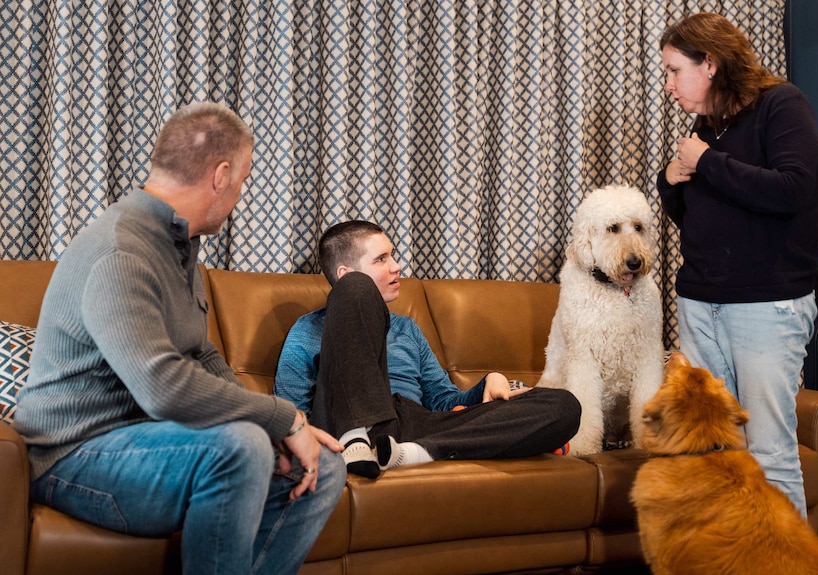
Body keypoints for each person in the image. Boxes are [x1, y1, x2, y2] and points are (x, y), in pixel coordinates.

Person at [13, 102, 346, 574]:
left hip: (151, 439)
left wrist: (288, 430)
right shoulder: (122, 248)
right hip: (74, 453)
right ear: (221, 174)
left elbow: (201, 354)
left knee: (326, 468)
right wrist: (283, 416)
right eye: (243, 180)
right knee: (242, 447)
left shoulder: (178, 242)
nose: (240, 194)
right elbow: (163, 386)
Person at [657, 13, 818, 516]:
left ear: (709, 63)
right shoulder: (710, 124)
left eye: (672, 70)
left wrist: (705, 162)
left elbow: (793, 190)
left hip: (766, 306)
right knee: (713, 450)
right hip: (700, 302)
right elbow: (699, 216)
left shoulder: (782, 105)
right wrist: (670, 179)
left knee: (769, 451)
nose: (668, 86)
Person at [275, 220, 582, 479]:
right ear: (343, 274)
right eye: (381, 259)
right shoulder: (308, 331)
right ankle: (357, 438)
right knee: (358, 291)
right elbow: (293, 412)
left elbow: (444, 401)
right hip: (340, 425)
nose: (397, 267)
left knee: (564, 406)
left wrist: (488, 383)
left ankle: (411, 455)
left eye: (392, 256)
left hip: (411, 426)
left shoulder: (407, 329)